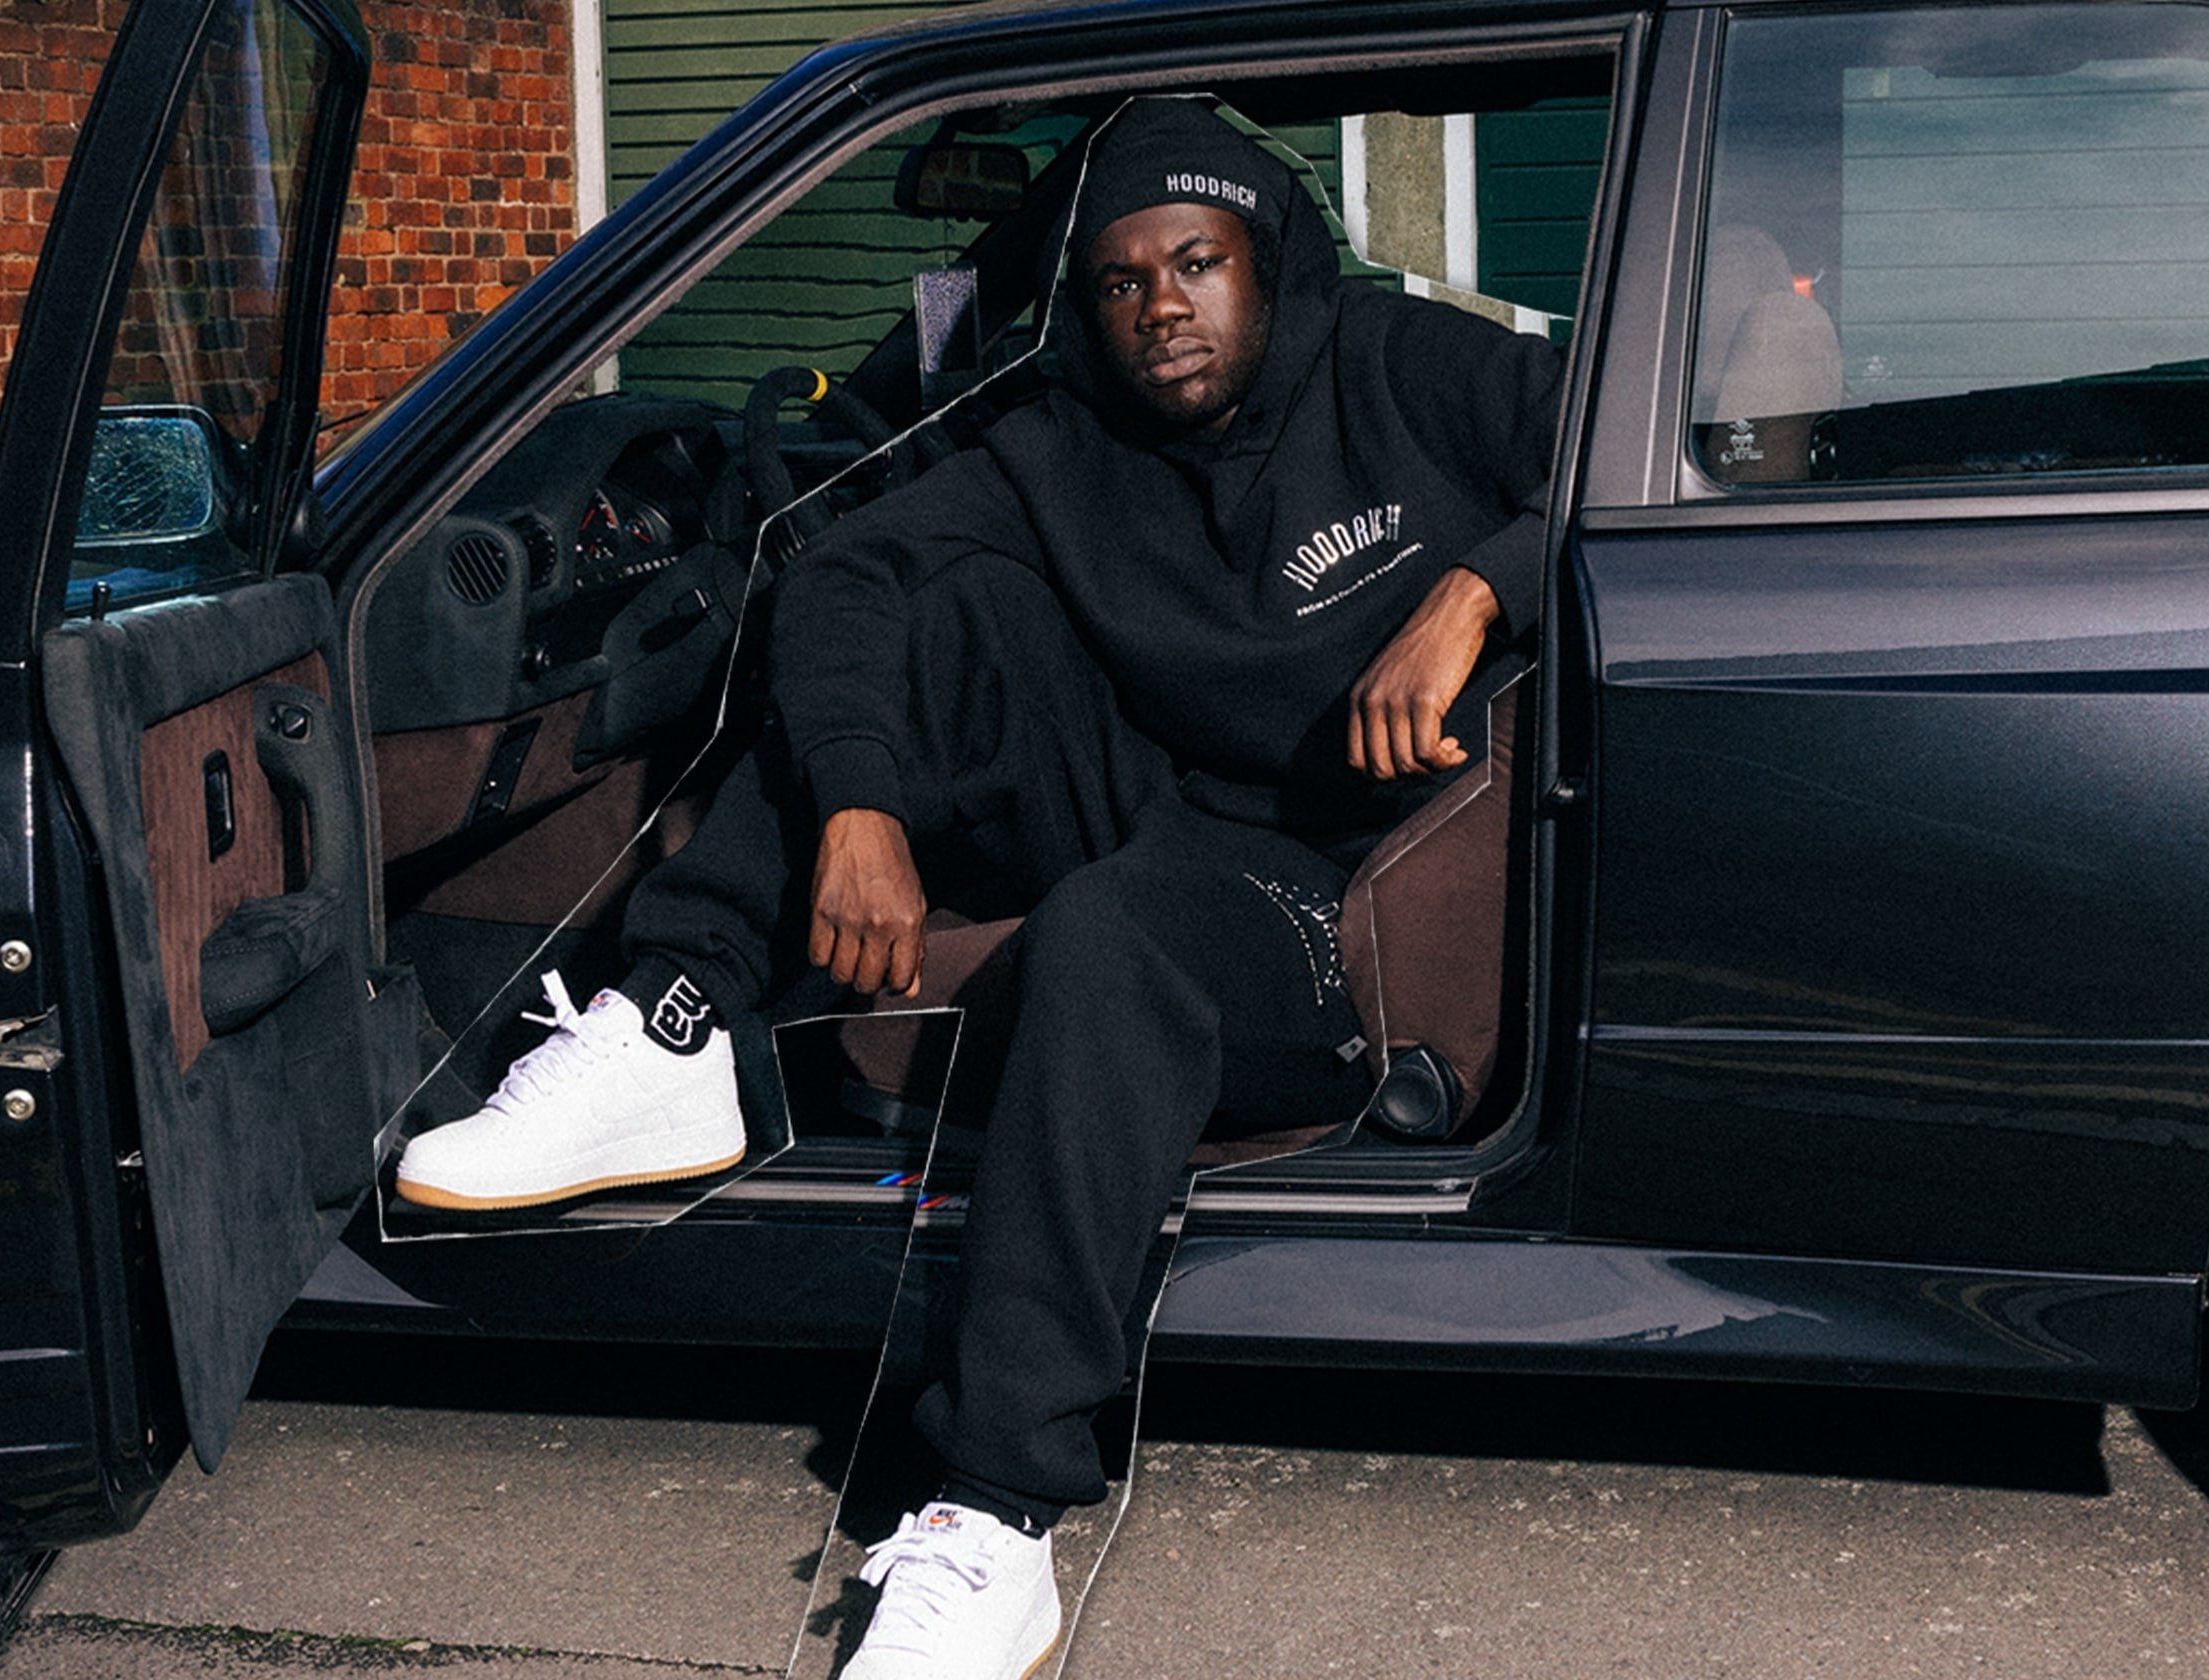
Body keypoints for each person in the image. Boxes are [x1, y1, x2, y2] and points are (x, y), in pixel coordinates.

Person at [394, 96, 1558, 1680]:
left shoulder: (1405, 364)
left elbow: (1620, 455)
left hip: (1350, 895)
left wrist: (1475, 590)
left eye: (1197, 263)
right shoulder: (1069, 434)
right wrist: (862, 806)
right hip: (1162, 801)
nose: (1161, 307)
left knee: (1108, 936)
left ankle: (997, 1512)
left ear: (1266, 263)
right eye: (1122, 279)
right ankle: (677, 1023)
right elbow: (844, 571)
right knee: (926, 622)